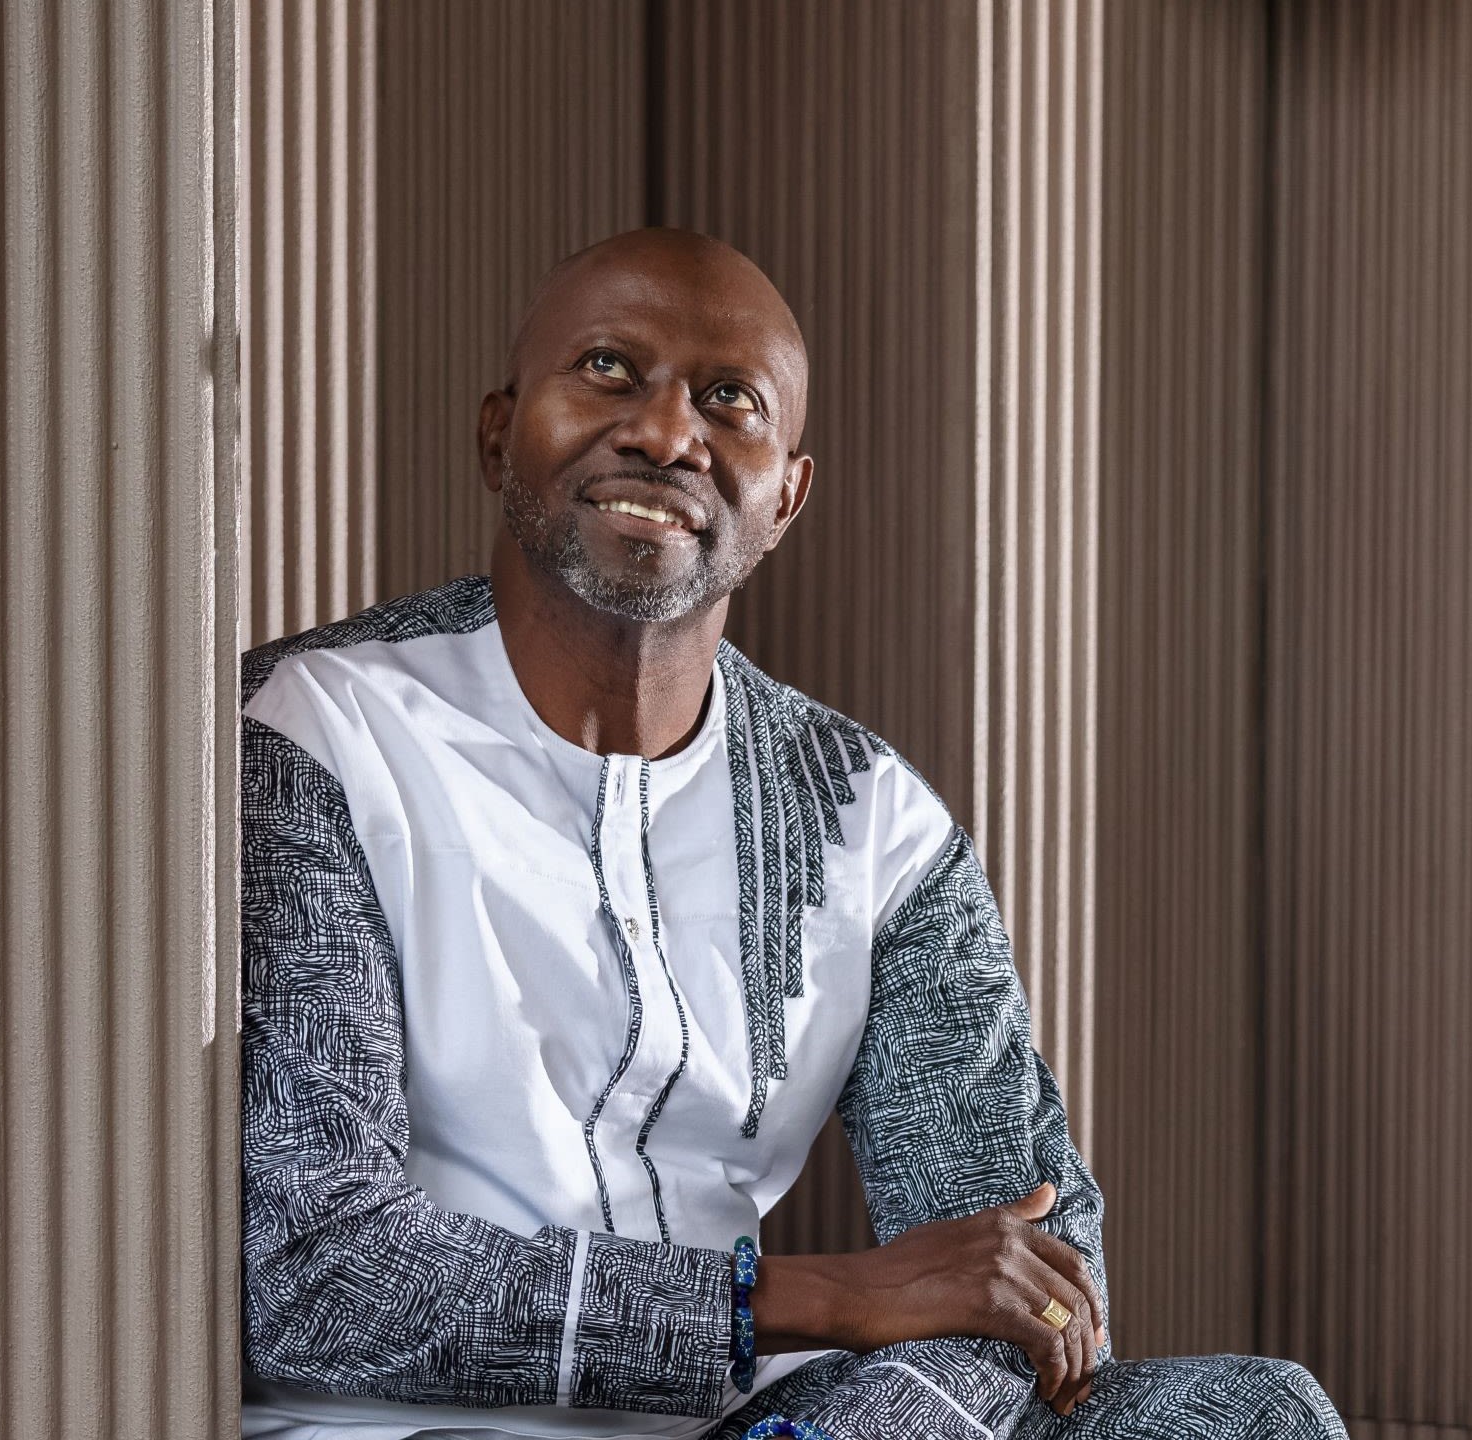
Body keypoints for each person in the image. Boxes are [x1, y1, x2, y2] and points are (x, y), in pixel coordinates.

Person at [238, 227, 1346, 1440]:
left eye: (729, 401)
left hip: (766, 1423)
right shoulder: (316, 735)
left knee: (1250, 1413)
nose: (666, 434)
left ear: (784, 497)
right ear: (499, 434)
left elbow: (1029, 1276)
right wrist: (820, 1298)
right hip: (410, 1423)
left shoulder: (871, 820)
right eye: (608, 370)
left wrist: (866, 1418)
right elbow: (318, 1276)